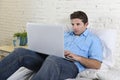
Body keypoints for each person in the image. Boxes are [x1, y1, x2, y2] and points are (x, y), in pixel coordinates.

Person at [0, 11, 103, 80]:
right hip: (49, 60)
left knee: (53, 59)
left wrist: (76, 57)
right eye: (72, 24)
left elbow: (97, 64)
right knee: (20, 52)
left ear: (86, 24)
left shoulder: (93, 40)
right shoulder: (66, 34)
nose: (74, 27)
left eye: (78, 24)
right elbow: (54, 46)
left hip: (70, 66)